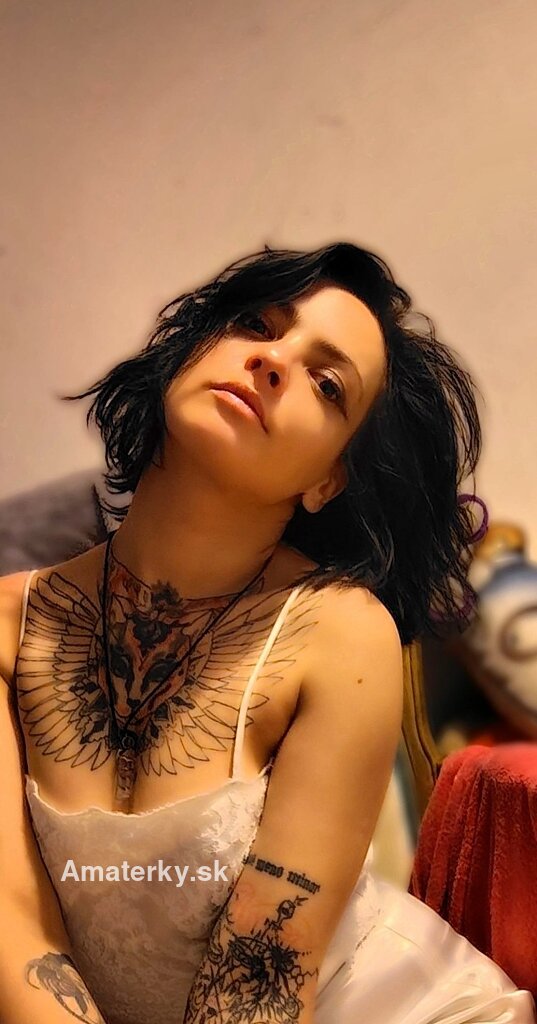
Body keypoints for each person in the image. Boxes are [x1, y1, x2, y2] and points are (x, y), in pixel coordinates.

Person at [0, 241, 534, 1024]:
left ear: (327, 478)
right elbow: (17, 936)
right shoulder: (9, 625)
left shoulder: (340, 634)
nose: (274, 361)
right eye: (255, 324)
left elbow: (256, 983)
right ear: (187, 352)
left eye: (327, 383)